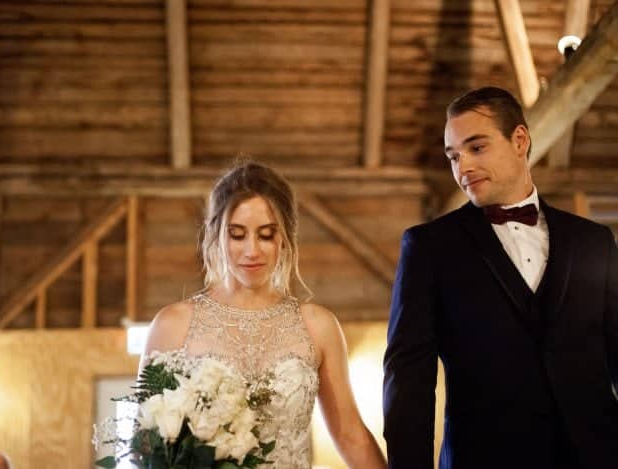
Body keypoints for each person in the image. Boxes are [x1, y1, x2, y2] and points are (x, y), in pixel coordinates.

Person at [383, 86, 618, 469]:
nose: (463, 168)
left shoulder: (594, 241)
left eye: (476, 148)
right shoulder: (429, 248)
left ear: (520, 140)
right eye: (454, 156)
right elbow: (408, 382)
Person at [141, 161, 388, 468]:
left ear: (284, 237)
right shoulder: (172, 325)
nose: (252, 250)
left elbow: (351, 436)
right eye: (238, 234)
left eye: (266, 234)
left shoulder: (318, 326)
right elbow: (146, 447)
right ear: (216, 233)